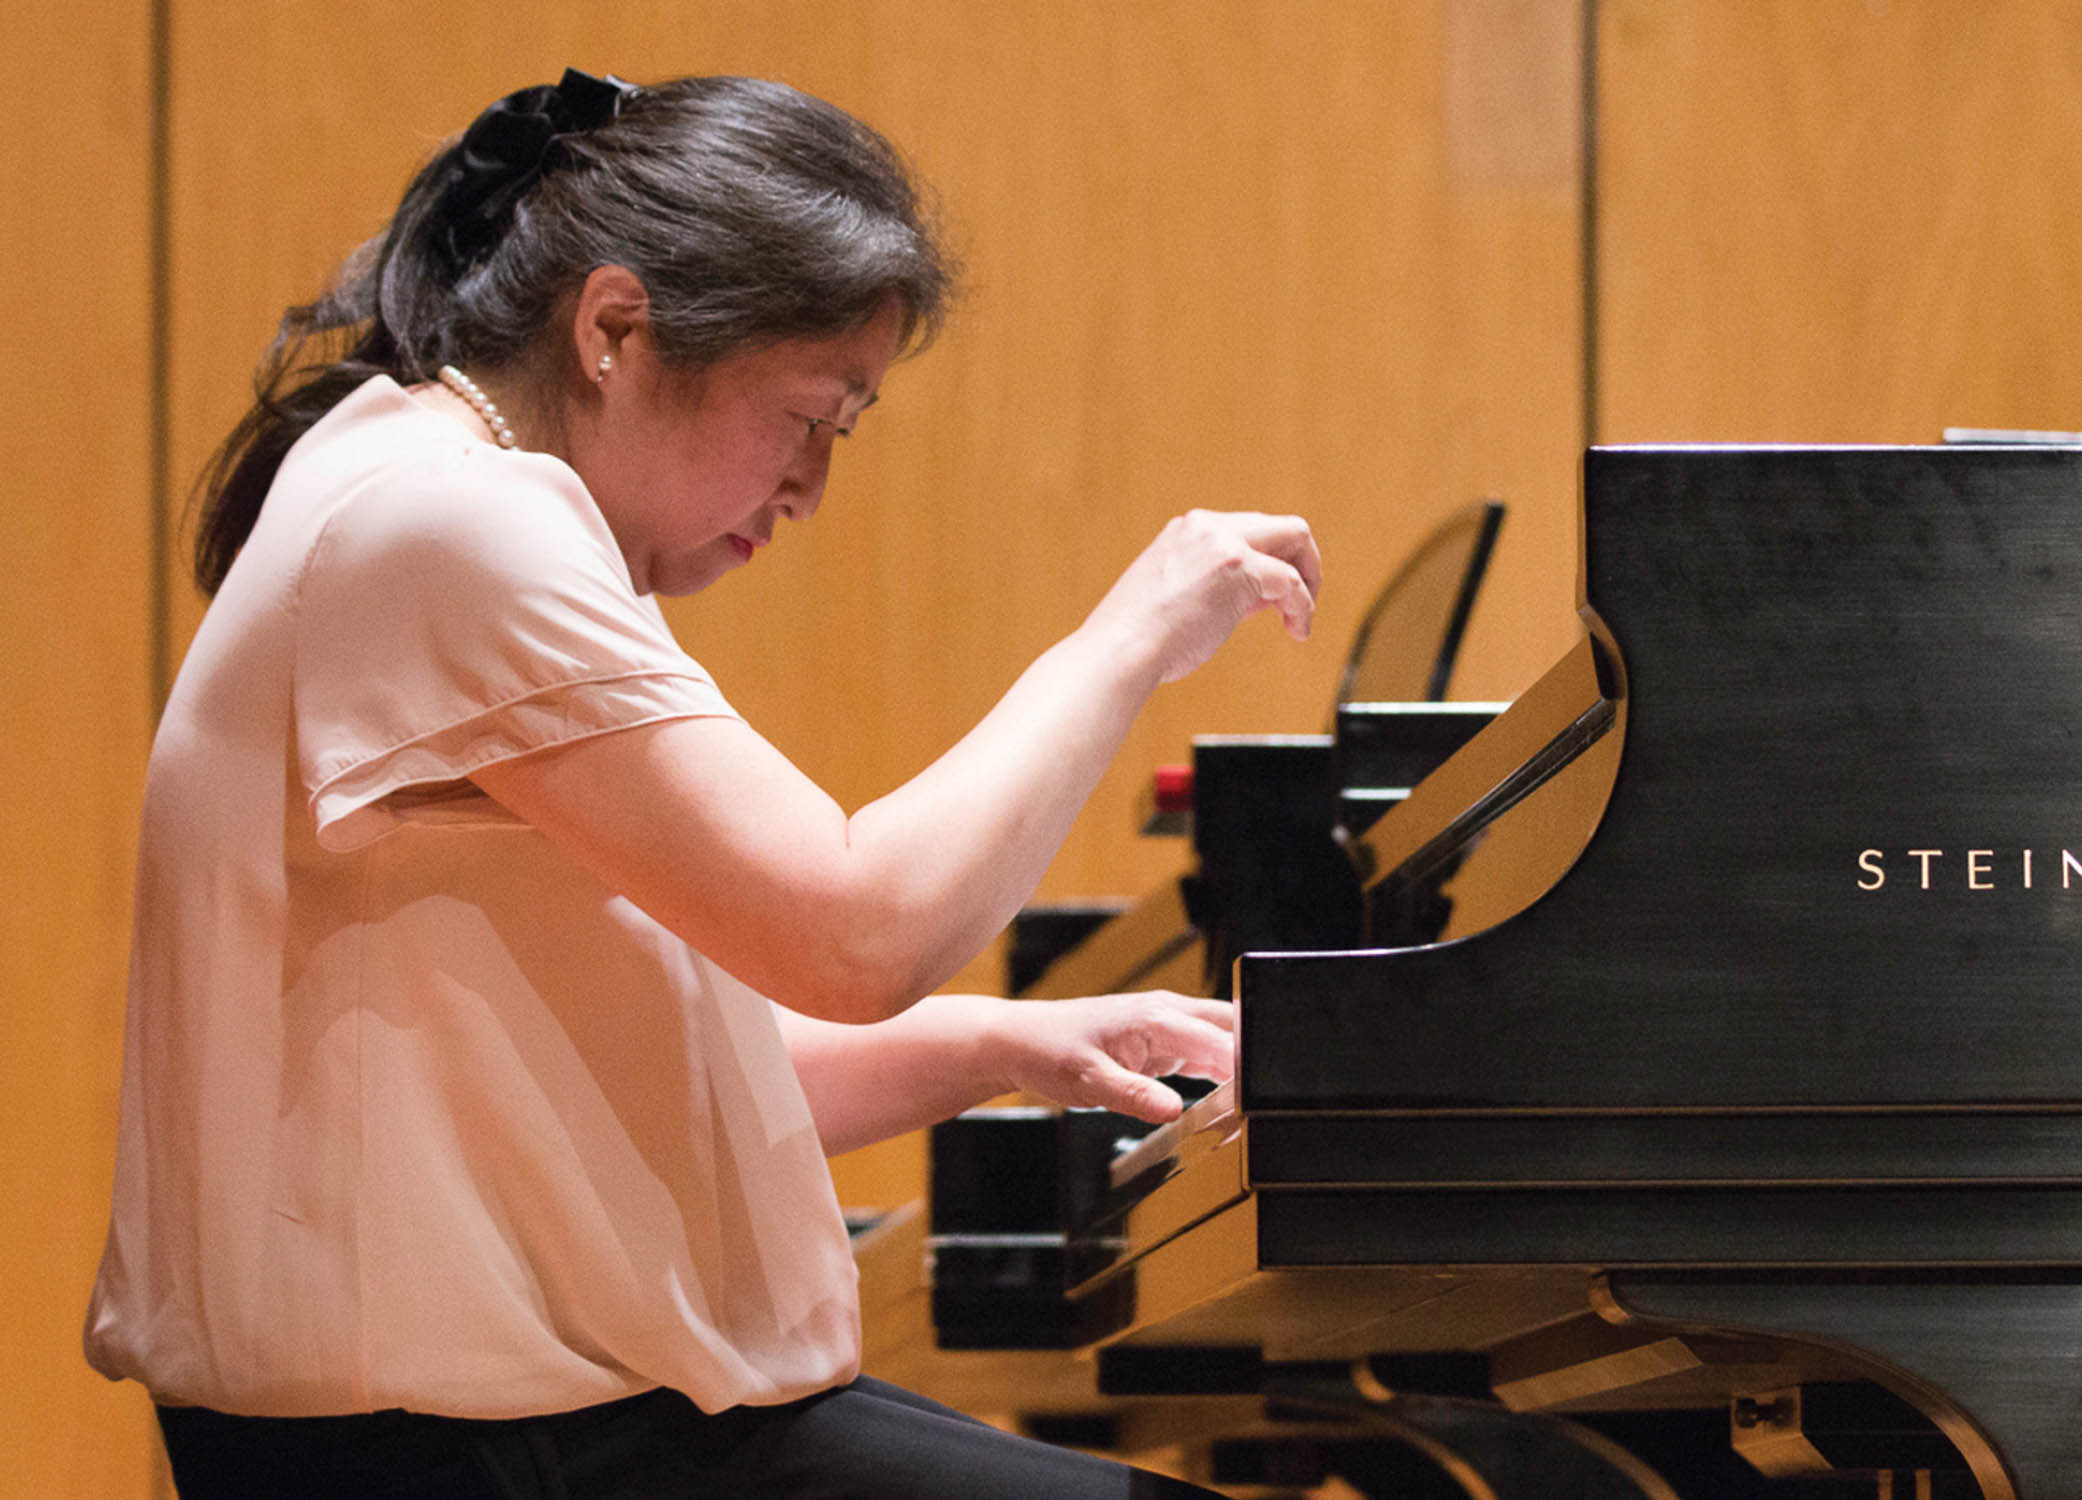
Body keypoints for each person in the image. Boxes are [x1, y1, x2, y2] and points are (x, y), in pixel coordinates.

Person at [84, 70, 1319, 1499]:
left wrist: (1007, 1047)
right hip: (474, 1457)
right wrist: (1130, 635)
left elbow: (667, 1046)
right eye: (813, 418)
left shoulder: (426, 469)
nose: (809, 487)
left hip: (483, 1439)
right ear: (613, 328)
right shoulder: (456, 521)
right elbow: (855, 934)